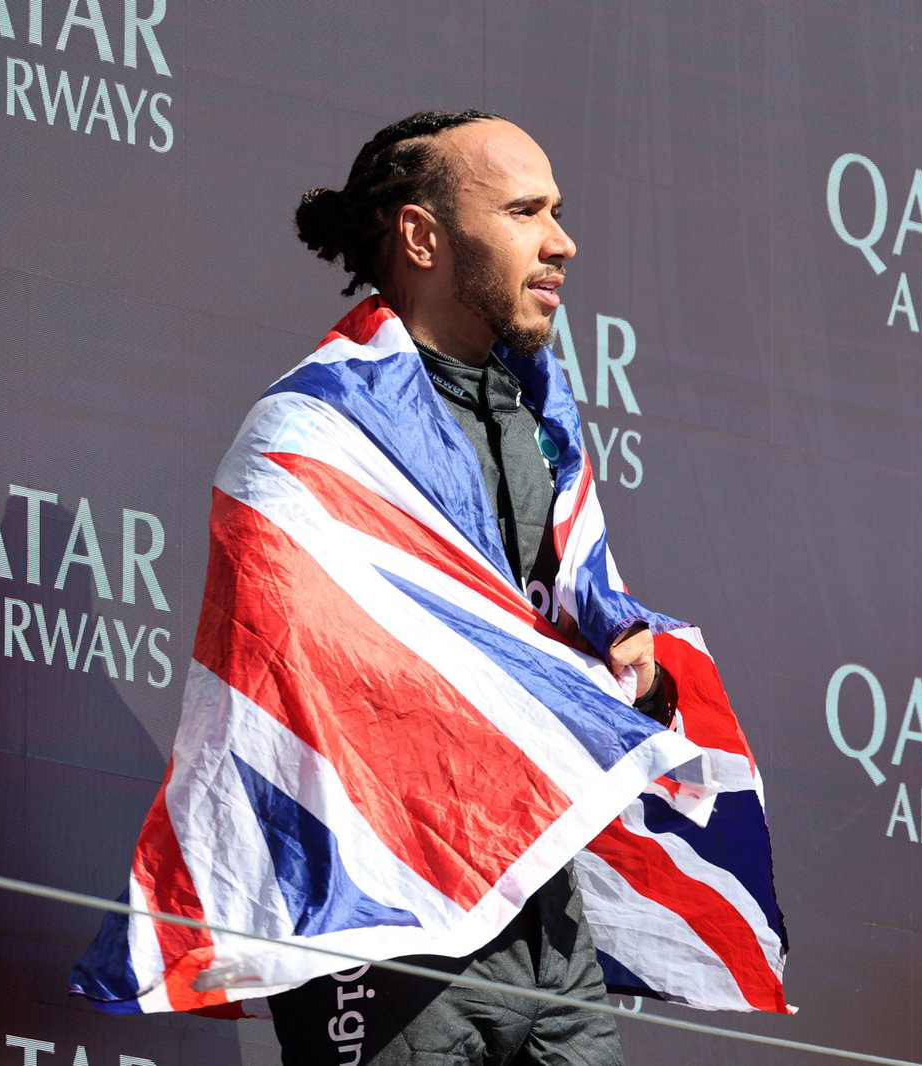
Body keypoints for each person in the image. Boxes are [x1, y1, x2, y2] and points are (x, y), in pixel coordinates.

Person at [265, 110, 674, 1066]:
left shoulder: (544, 417)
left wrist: (630, 668)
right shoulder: (314, 432)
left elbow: (570, 619)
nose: (562, 241)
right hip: (394, 912)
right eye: (526, 211)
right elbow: (289, 682)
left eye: (557, 211)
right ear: (422, 237)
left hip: (546, 918)